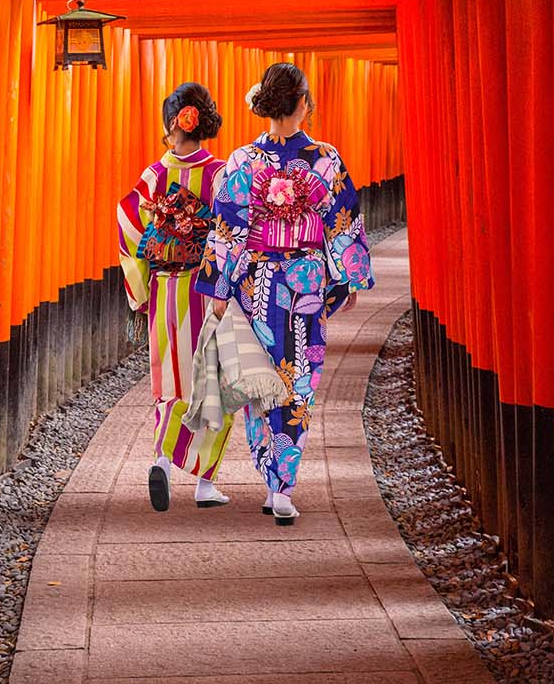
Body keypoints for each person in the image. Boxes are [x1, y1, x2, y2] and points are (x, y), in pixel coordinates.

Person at [196, 62, 375, 525]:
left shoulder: (241, 161)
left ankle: (270, 473)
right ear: (302, 105)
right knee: (298, 381)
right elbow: (343, 220)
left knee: (264, 380)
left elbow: (227, 228)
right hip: (305, 282)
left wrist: (220, 286)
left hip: (257, 282)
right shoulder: (325, 159)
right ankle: (281, 485)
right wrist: (349, 275)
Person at [117, 82, 236, 512]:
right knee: (215, 381)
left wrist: (139, 290)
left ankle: (163, 460)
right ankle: (205, 483)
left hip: (166, 289)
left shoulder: (153, 176)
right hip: (209, 290)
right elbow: (231, 233)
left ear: (173, 124)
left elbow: (129, 225)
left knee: (171, 376)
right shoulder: (221, 173)